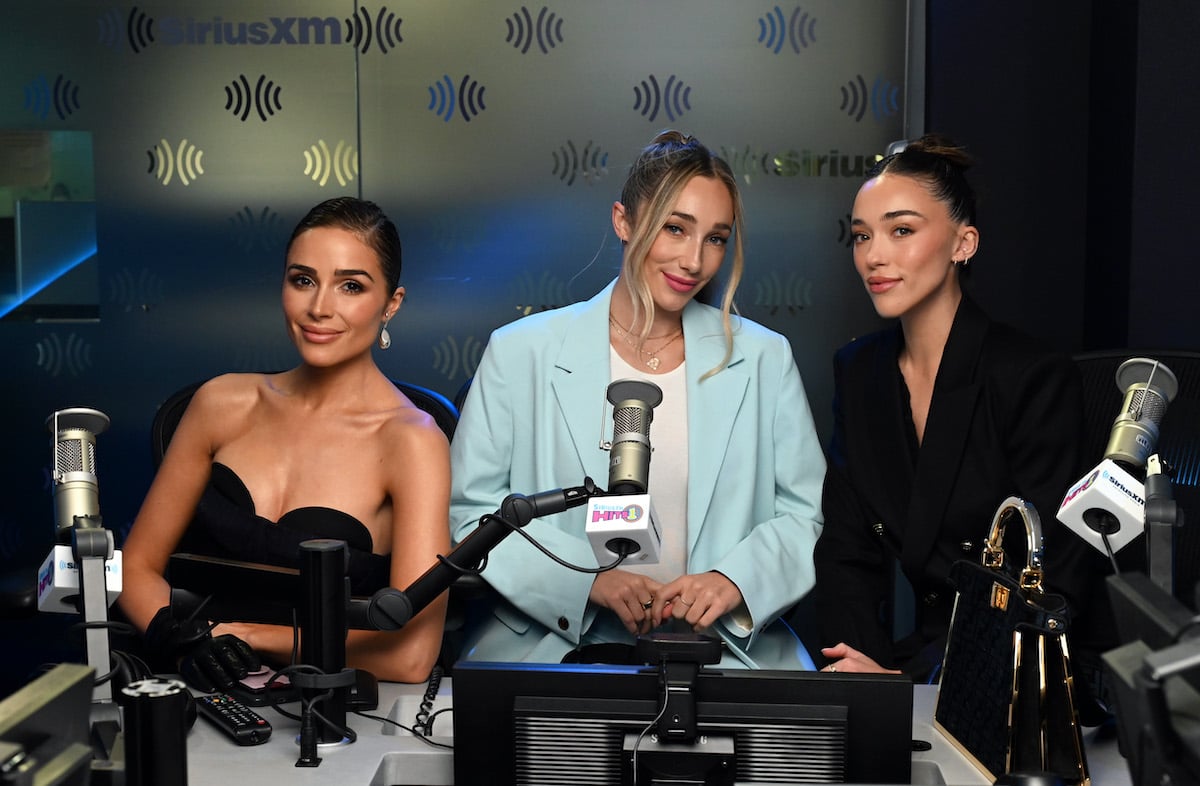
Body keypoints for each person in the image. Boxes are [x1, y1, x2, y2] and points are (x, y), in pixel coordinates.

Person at [448, 130, 825, 669]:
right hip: (555, 651)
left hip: (722, 651)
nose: (694, 260)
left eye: (716, 238)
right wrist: (584, 583)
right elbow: (473, 515)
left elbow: (801, 512)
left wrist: (732, 580)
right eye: (675, 228)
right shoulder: (520, 352)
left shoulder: (765, 358)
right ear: (622, 220)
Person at [119, 196, 450, 687]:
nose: (320, 308)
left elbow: (410, 655)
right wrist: (181, 638)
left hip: (327, 703)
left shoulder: (412, 441)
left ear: (391, 304)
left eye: (351, 286)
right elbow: (135, 568)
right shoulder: (220, 402)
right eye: (303, 280)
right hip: (188, 684)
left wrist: (248, 637)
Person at [813, 135, 1108, 681]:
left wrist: (912, 683)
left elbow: (1049, 580)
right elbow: (845, 552)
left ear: (962, 243)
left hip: (1032, 667)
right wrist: (863, 673)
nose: (874, 255)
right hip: (917, 664)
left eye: (902, 230)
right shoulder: (859, 372)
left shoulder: (1032, 377)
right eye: (861, 236)